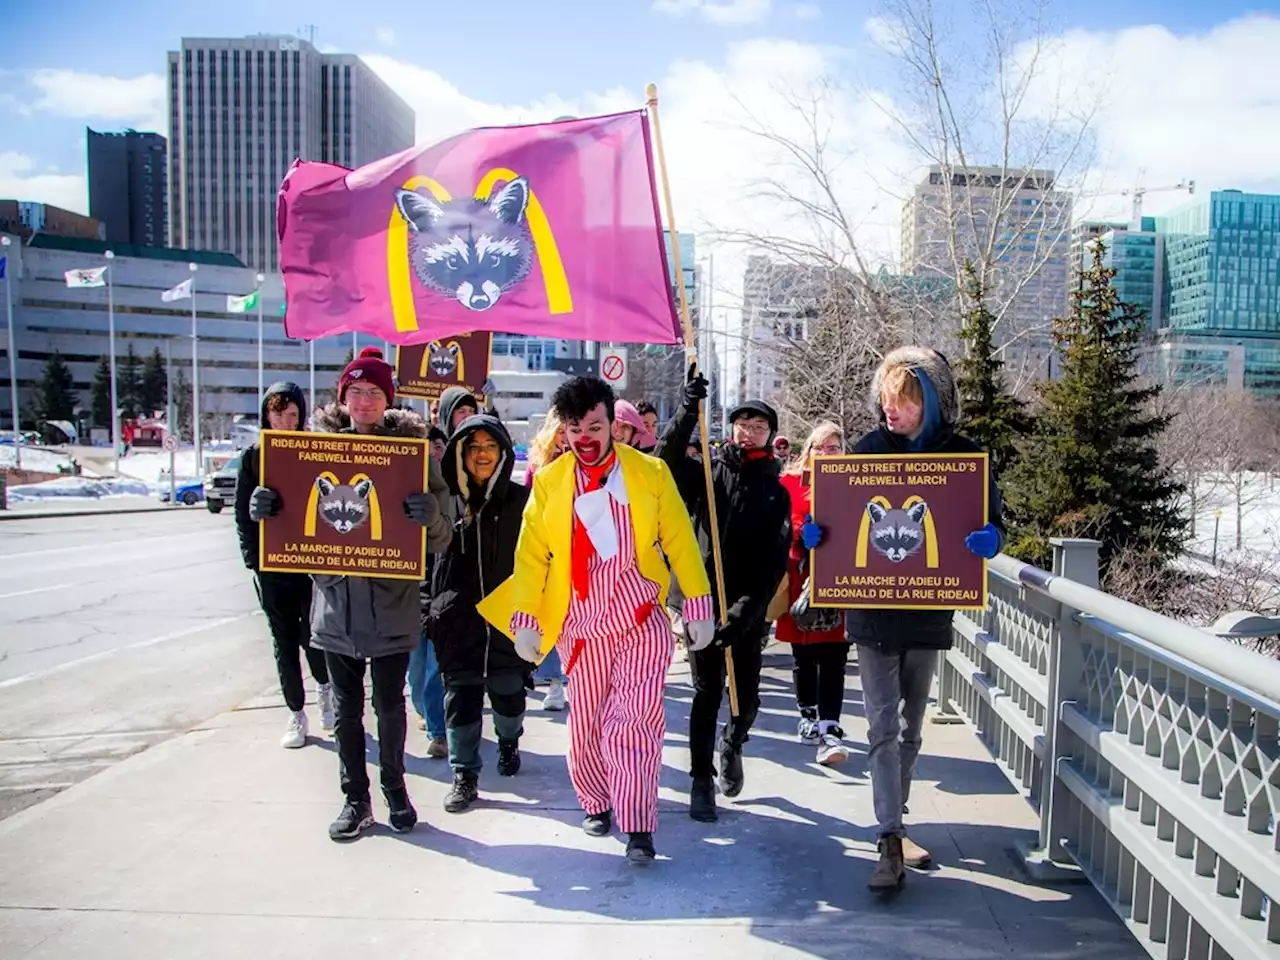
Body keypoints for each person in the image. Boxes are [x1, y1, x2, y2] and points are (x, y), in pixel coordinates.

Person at [479, 375, 713, 865]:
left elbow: (679, 541)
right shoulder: (549, 483)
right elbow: (532, 556)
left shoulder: (649, 474)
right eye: (574, 428)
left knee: (633, 723)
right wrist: (526, 619)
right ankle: (596, 799)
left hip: (639, 622)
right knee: (586, 726)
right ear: (563, 431)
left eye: (594, 425)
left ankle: (638, 824)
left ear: (611, 424)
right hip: (580, 630)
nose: (585, 437)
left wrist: (697, 603)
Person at [802, 347, 1004, 890]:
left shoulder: (964, 456)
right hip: (872, 614)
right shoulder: (868, 450)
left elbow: (992, 519)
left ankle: (898, 818)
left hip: (928, 609)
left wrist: (991, 538)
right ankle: (888, 838)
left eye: (905, 402)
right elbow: (839, 517)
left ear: (930, 402)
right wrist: (819, 538)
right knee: (882, 725)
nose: (891, 412)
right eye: (887, 401)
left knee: (910, 727)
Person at [249, 348, 453, 841]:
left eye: (375, 392)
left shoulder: (413, 454)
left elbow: (444, 533)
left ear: (388, 398)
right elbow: (288, 521)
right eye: (356, 392)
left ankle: (396, 791)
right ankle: (355, 798)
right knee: (345, 710)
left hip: (391, 606)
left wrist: (429, 517)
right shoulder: (313, 451)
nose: (364, 401)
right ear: (343, 396)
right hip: (335, 606)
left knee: (388, 706)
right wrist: (266, 507)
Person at [656, 365, 791, 823]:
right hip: (700, 604)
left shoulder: (776, 492)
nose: (749, 432)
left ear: (770, 435)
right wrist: (686, 410)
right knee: (706, 692)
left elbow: (773, 563)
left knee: (746, 699)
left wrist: (742, 614)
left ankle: (733, 742)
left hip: (745, 614)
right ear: (731, 428)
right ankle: (700, 781)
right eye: (743, 424)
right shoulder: (707, 476)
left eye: (759, 426)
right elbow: (664, 461)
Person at [429, 415, 531, 812]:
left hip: (507, 621)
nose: (482, 454)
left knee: (509, 699)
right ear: (461, 453)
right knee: (462, 699)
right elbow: (422, 556)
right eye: (474, 447)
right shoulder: (446, 501)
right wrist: (430, 607)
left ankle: (509, 741)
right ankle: (464, 775)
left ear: (503, 452)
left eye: (491, 446)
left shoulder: (522, 502)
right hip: (457, 620)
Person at [234, 381, 333, 749]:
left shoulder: (313, 452)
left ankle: (327, 697)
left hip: (307, 567)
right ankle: (295, 711)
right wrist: (254, 559)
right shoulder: (254, 458)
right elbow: (242, 517)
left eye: (293, 414)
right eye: (278, 413)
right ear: (267, 415)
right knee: (284, 642)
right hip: (271, 568)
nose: (286, 421)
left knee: (315, 637)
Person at [776, 420, 850, 766]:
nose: (826, 454)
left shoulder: (853, 482)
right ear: (808, 452)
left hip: (839, 579)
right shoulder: (790, 483)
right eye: (819, 448)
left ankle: (831, 726)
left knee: (835, 654)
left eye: (833, 447)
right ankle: (807, 713)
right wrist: (801, 534)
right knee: (804, 653)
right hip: (801, 578)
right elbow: (782, 523)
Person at [523, 412, 570, 711]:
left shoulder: (586, 461)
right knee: (550, 618)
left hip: (577, 548)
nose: (566, 438)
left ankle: (567, 680)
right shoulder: (538, 465)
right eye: (561, 431)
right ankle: (554, 683)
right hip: (547, 549)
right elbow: (529, 507)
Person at [409, 426, 450, 756]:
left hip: (444, 588)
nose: (433, 452)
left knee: (437, 663)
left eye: (438, 445)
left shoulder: (455, 489)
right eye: (427, 447)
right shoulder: (403, 489)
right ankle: (425, 711)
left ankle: (439, 731)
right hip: (409, 589)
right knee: (417, 662)